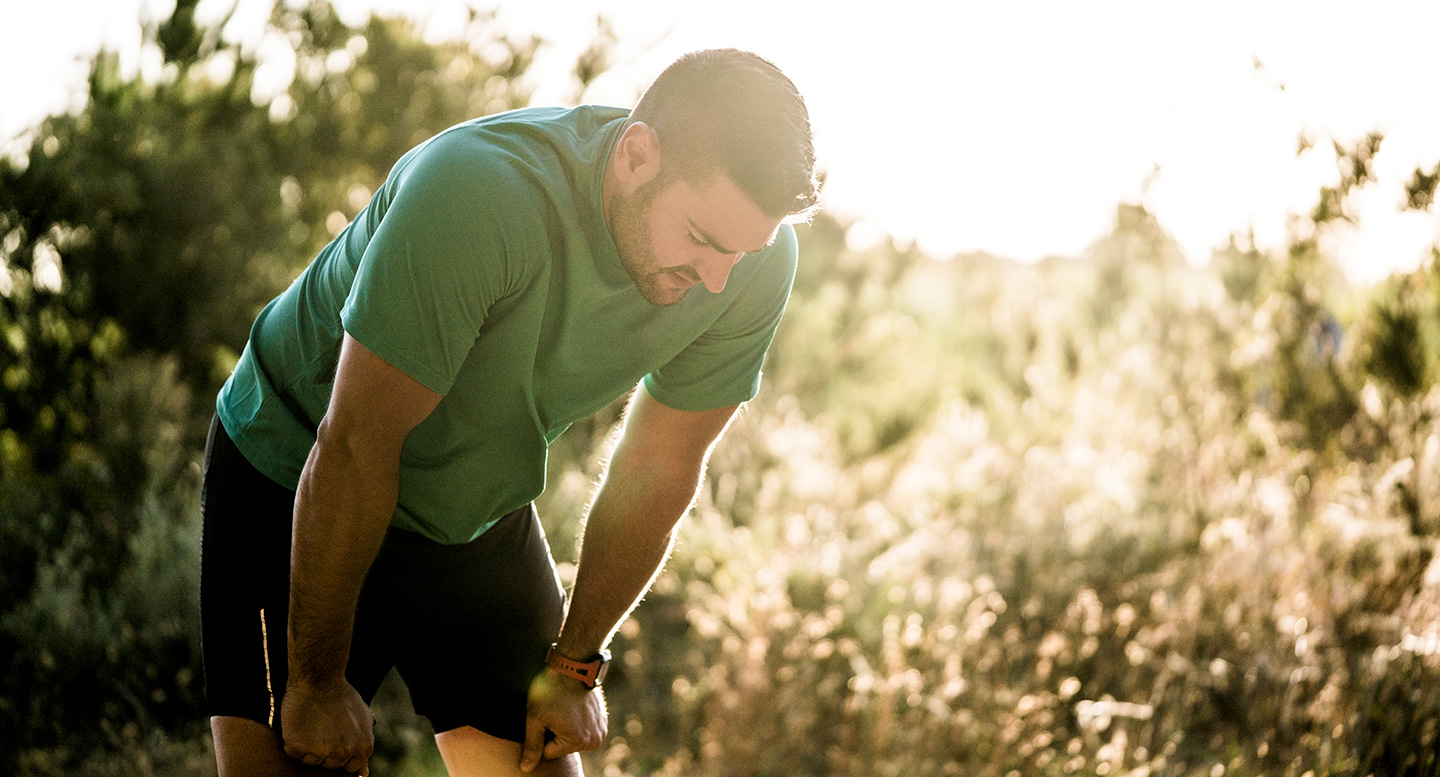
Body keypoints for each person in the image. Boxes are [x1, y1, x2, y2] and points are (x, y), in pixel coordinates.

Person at [199, 48, 819, 776]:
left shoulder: (751, 264)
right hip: (297, 467)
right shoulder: (475, 195)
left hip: (475, 505)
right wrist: (313, 683)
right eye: (702, 240)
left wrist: (573, 666)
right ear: (637, 156)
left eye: (743, 253)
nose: (718, 279)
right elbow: (357, 446)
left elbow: (659, 466)